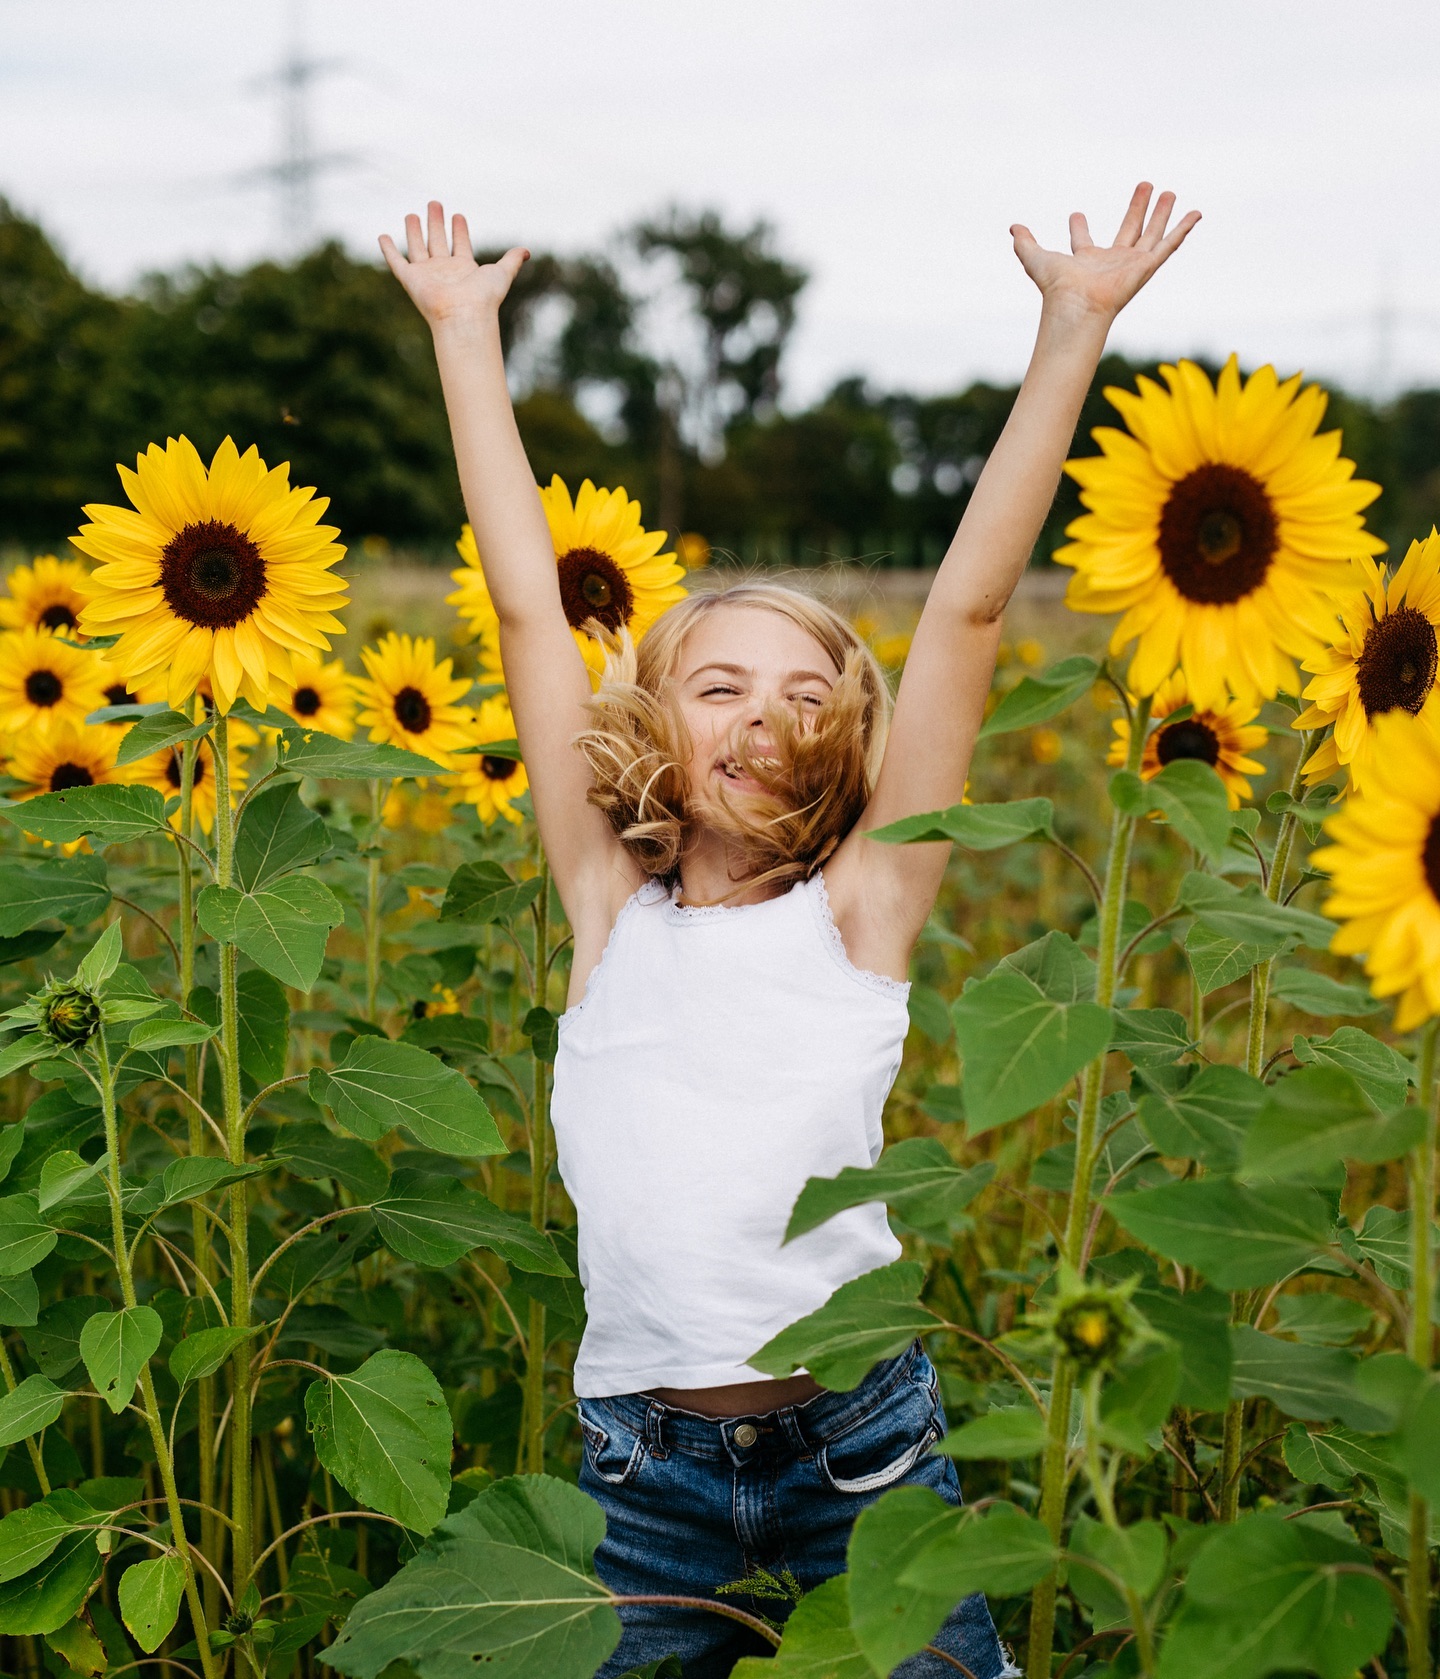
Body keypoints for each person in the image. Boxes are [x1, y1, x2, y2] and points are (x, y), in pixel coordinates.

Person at [382, 183, 1198, 1678]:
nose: (765, 717)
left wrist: (1071, 329)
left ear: (849, 748)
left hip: (862, 1452)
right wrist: (463, 340)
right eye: (720, 688)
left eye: (807, 697)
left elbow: (963, 615)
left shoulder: (863, 910)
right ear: (649, 724)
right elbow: (520, 614)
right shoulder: (606, 907)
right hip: (641, 1471)